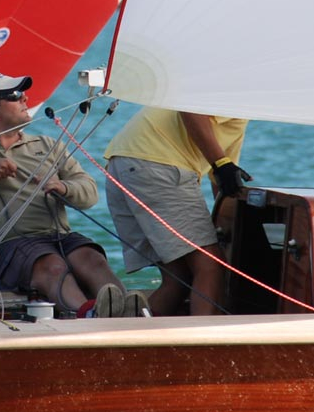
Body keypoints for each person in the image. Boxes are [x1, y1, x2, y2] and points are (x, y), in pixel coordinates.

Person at [0, 72, 147, 318]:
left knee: (91, 258)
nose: (25, 98)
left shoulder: (47, 145)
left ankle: (131, 314)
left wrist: (63, 188)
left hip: (57, 237)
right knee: (52, 265)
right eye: (15, 95)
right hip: (2, 249)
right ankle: (87, 316)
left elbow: (89, 193)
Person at [103, 108, 250, 316]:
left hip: (125, 159)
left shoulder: (241, 115)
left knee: (180, 277)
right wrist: (221, 164)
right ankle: (202, 336)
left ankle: (133, 331)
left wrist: (222, 167)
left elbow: (222, 178)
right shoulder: (239, 98)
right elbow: (190, 110)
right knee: (211, 267)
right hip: (157, 160)